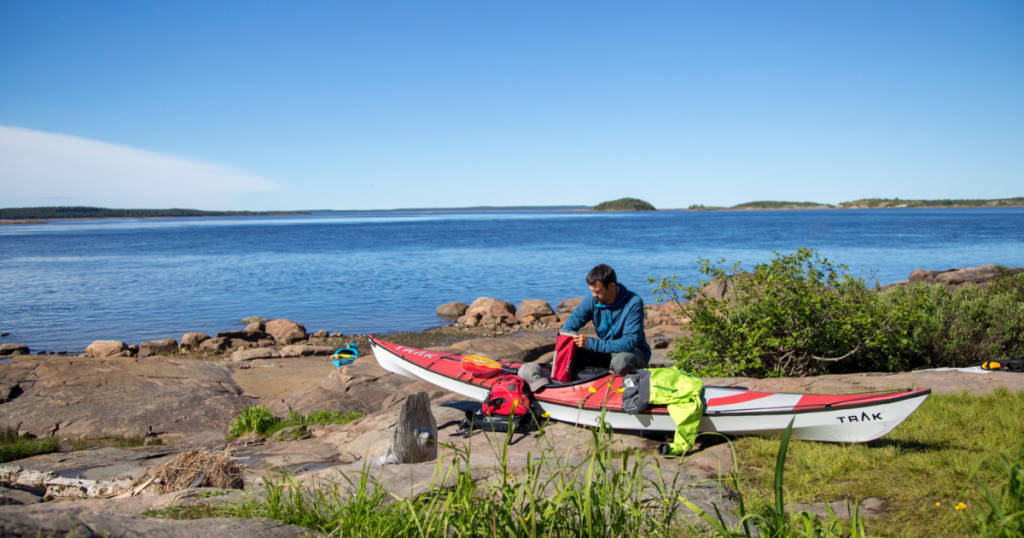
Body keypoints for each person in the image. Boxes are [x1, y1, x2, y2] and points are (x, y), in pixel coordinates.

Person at [560, 264, 651, 376]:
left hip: (632, 352)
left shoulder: (633, 302)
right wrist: (565, 342)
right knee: (571, 351)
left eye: (598, 291)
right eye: (592, 291)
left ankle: (627, 385)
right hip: (606, 351)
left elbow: (629, 343)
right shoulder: (591, 300)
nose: (594, 295)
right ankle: (585, 384)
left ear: (612, 286)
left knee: (620, 362)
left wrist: (591, 343)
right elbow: (567, 328)